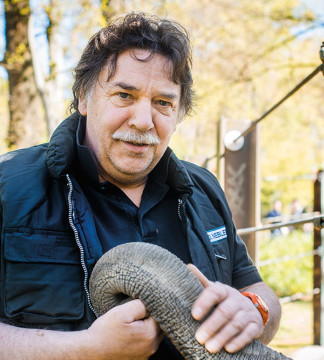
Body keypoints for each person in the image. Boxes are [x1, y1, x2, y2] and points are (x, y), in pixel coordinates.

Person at [0, 12, 281, 359]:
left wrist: (255, 309)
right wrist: (85, 349)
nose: (144, 120)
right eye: (124, 95)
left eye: (163, 103)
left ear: (178, 114)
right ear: (84, 99)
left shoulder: (205, 188)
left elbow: (254, 287)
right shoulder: (8, 186)